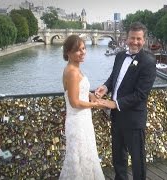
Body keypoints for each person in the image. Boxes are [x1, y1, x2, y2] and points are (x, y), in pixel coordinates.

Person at [95, 22, 156, 180]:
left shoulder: (148, 62)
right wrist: (105, 87)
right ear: (126, 38)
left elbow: (141, 95)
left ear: (144, 40)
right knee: (118, 158)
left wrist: (114, 104)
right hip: (117, 117)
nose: (134, 42)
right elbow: (114, 77)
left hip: (134, 119)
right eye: (132, 38)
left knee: (138, 160)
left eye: (138, 39)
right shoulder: (120, 55)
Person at [60, 34, 107, 180]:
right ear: (68, 53)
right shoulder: (73, 72)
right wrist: (94, 105)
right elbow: (74, 102)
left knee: (83, 155)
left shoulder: (74, 68)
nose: (83, 52)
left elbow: (80, 93)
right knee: (80, 155)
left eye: (84, 48)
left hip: (82, 119)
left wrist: (91, 95)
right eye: (78, 50)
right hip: (78, 120)